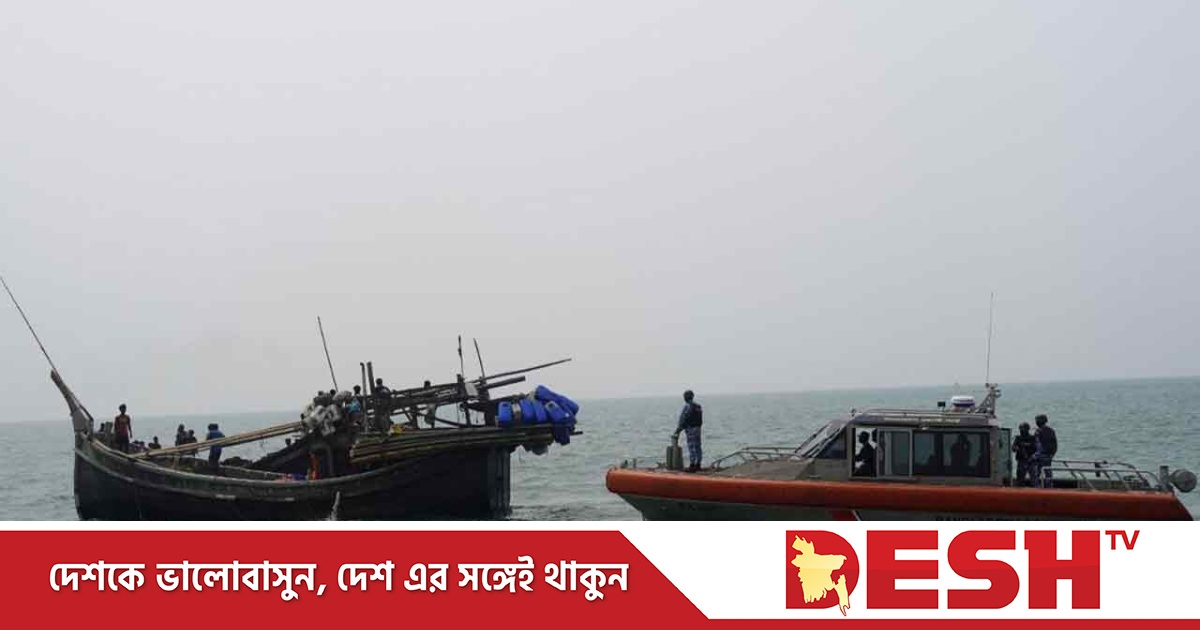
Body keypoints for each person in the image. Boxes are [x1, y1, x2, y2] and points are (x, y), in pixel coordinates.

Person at [671, 390, 703, 472]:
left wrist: (678, 430)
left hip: (690, 429)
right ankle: (698, 464)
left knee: (692, 447)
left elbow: (683, 419)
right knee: (698, 447)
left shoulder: (688, 406)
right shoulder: (698, 406)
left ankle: (692, 466)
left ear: (686, 397)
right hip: (698, 429)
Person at [1033, 414, 1057, 487]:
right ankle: (1049, 487)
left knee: (1036, 474)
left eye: (1037, 420)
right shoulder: (1051, 431)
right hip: (1048, 455)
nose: (1036, 422)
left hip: (1040, 456)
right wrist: (1052, 454)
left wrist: (1036, 455)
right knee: (1048, 473)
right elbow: (1054, 444)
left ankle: (1037, 487)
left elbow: (1037, 444)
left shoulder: (1038, 431)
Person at [1012, 422, 1037, 486]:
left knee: (1033, 478)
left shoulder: (1032, 438)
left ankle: (1035, 488)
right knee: (1020, 478)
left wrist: (1026, 446)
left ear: (1027, 429)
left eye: (1022, 428)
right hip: (1021, 460)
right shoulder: (1018, 438)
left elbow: (1036, 448)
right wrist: (1017, 448)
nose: (1021, 430)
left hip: (1031, 460)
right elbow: (1013, 448)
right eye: (1020, 428)